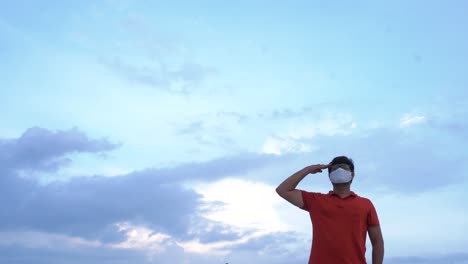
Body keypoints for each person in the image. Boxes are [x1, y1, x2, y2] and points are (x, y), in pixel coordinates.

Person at [276, 156, 384, 264]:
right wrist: (308, 169)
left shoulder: (366, 204)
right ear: (329, 176)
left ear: (353, 175)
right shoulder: (316, 201)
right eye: (335, 168)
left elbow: (377, 242)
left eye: (344, 167)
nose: (340, 170)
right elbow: (283, 190)